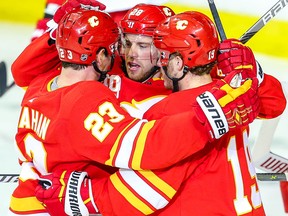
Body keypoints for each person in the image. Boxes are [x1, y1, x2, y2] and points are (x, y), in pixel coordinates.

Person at [9, 7, 259, 216]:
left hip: (35, 195)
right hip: (58, 200)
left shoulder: (43, 85)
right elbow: (149, 147)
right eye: (125, 43)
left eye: (146, 45)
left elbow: (272, 103)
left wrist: (60, 31)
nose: (130, 54)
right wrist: (240, 82)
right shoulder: (221, 91)